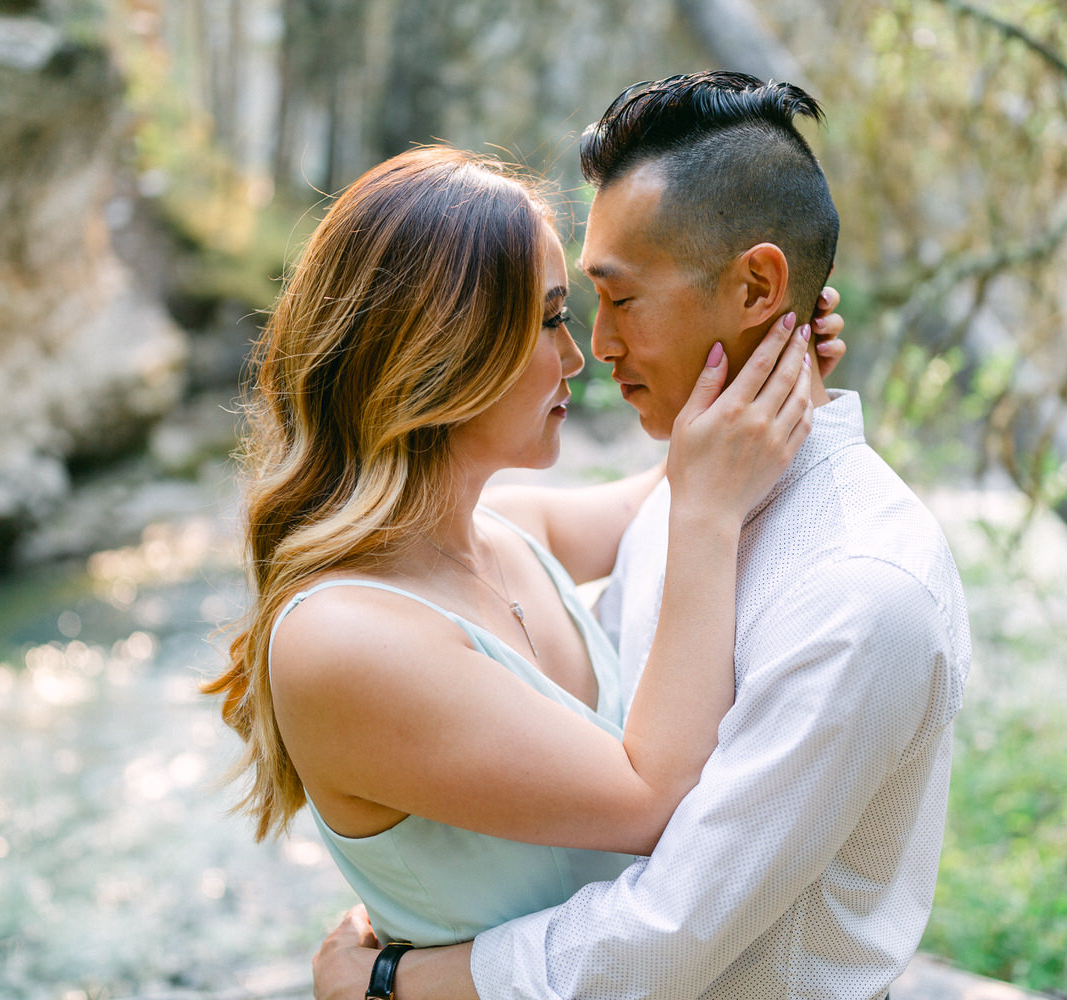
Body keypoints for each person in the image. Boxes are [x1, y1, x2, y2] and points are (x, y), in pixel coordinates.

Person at [312, 72, 971, 1000]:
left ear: (756, 285)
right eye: (573, 308)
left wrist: (395, 984)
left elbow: (668, 932)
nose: (595, 347)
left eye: (620, 301)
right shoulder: (691, 489)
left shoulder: (863, 590)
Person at [202, 143, 843, 964]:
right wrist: (709, 521)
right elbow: (656, 802)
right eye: (547, 320)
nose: (580, 355)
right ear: (441, 348)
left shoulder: (509, 527)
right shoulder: (341, 640)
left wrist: (766, 355)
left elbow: (688, 476)